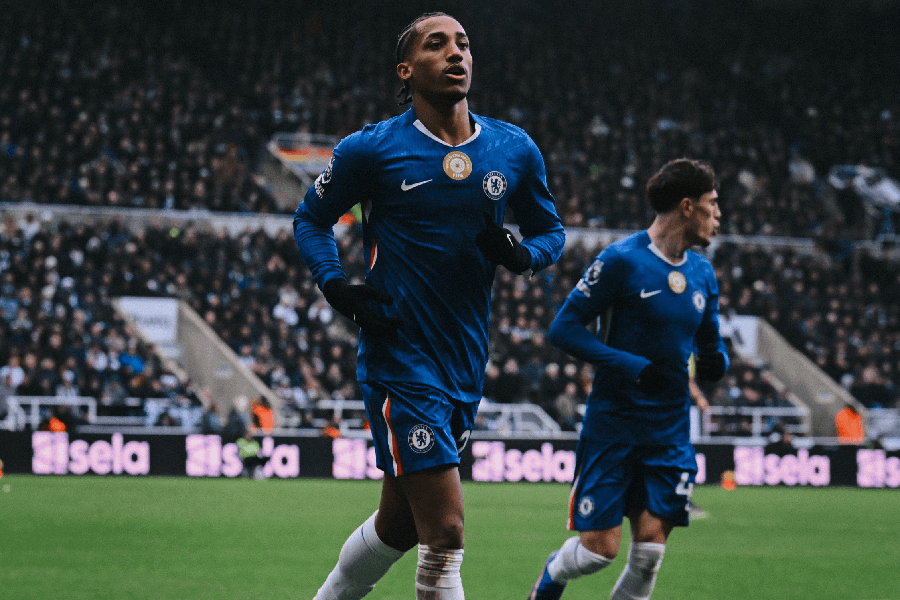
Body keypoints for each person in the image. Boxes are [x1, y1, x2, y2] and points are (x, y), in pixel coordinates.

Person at [294, 12, 564, 600]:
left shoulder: (512, 149)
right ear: (407, 69)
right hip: (400, 357)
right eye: (436, 44)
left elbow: (553, 232)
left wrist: (522, 255)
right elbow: (310, 218)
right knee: (444, 531)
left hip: (464, 360)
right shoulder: (373, 148)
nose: (455, 53)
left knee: (397, 525)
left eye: (463, 43)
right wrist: (334, 285)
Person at [529, 158, 728, 600]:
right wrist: (633, 366)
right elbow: (564, 329)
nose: (719, 216)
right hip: (614, 425)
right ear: (687, 206)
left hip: (670, 431)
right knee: (599, 551)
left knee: (649, 554)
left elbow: (710, 344)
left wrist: (717, 361)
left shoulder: (703, 274)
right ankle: (550, 578)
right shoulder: (621, 260)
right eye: (713, 205)